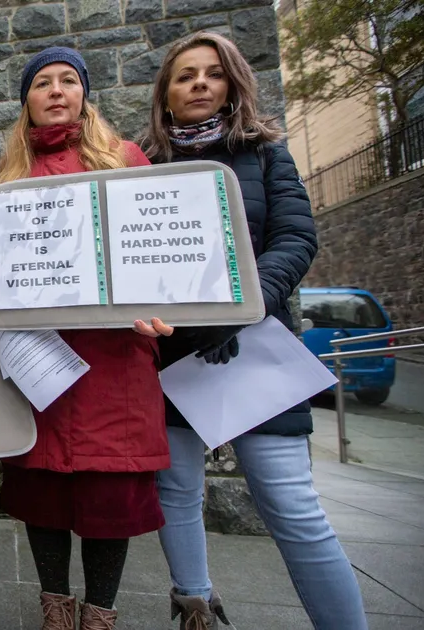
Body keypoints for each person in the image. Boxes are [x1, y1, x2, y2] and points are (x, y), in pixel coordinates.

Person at [139, 32, 367, 630]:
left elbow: (295, 239)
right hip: (172, 355)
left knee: (292, 506)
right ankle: (195, 608)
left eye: (213, 73)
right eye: (185, 75)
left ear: (232, 84)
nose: (199, 83)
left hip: (254, 346)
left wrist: (245, 305)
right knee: (177, 492)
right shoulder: (142, 165)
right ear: (165, 92)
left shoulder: (266, 155)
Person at [0, 47, 174, 630]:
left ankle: (99, 617)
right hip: (39, 364)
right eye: (43, 83)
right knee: (44, 496)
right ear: (26, 101)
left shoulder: (125, 160)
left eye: (68, 81)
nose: (56, 90)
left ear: (84, 95)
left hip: (114, 366)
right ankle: (55, 611)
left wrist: (159, 304)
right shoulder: (4, 179)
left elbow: (154, 248)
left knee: (110, 499)